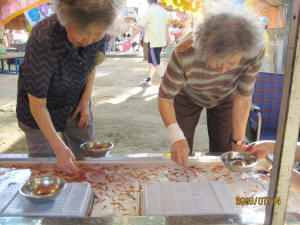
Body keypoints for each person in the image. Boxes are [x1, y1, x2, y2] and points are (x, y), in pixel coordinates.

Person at [16, 0, 122, 174]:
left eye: (97, 34)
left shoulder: (98, 29)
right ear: (66, 20)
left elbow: (91, 67)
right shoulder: (44, 38)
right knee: (48, 166)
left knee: (89, 161)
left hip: (75, 101)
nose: (89, 40)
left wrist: (85, 102)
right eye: (83, 33)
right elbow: (37, 105)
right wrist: (59, 147)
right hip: (39, 111)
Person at [158, 10, 265, 167]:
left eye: (230, 64)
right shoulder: (184, 54)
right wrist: (176, 138)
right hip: (187, 97)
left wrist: (238, 141)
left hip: (225, 96)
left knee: (225, 151)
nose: (222, 71)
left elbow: (243, 97)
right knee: (182, 149)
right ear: (203, 50)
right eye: (216, 64)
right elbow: (165, 98)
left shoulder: (254, 51)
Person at [139, 0, 169, 86]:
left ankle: (167, 82)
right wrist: (167, 37)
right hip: (159, 41)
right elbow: (166, 26)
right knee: (152, 61)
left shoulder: (150, 11)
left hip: (153, 41)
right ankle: (148, 79)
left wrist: (131, 37)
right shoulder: (163, 11)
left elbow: (141, 26)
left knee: (156, 62)